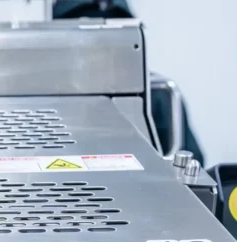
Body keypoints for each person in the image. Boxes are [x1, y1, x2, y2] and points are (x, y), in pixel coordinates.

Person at [53, 0, 205, 163]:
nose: (98, 53)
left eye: (109, 41)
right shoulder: (43, 97)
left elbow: (192, 166)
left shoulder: (159, 93)